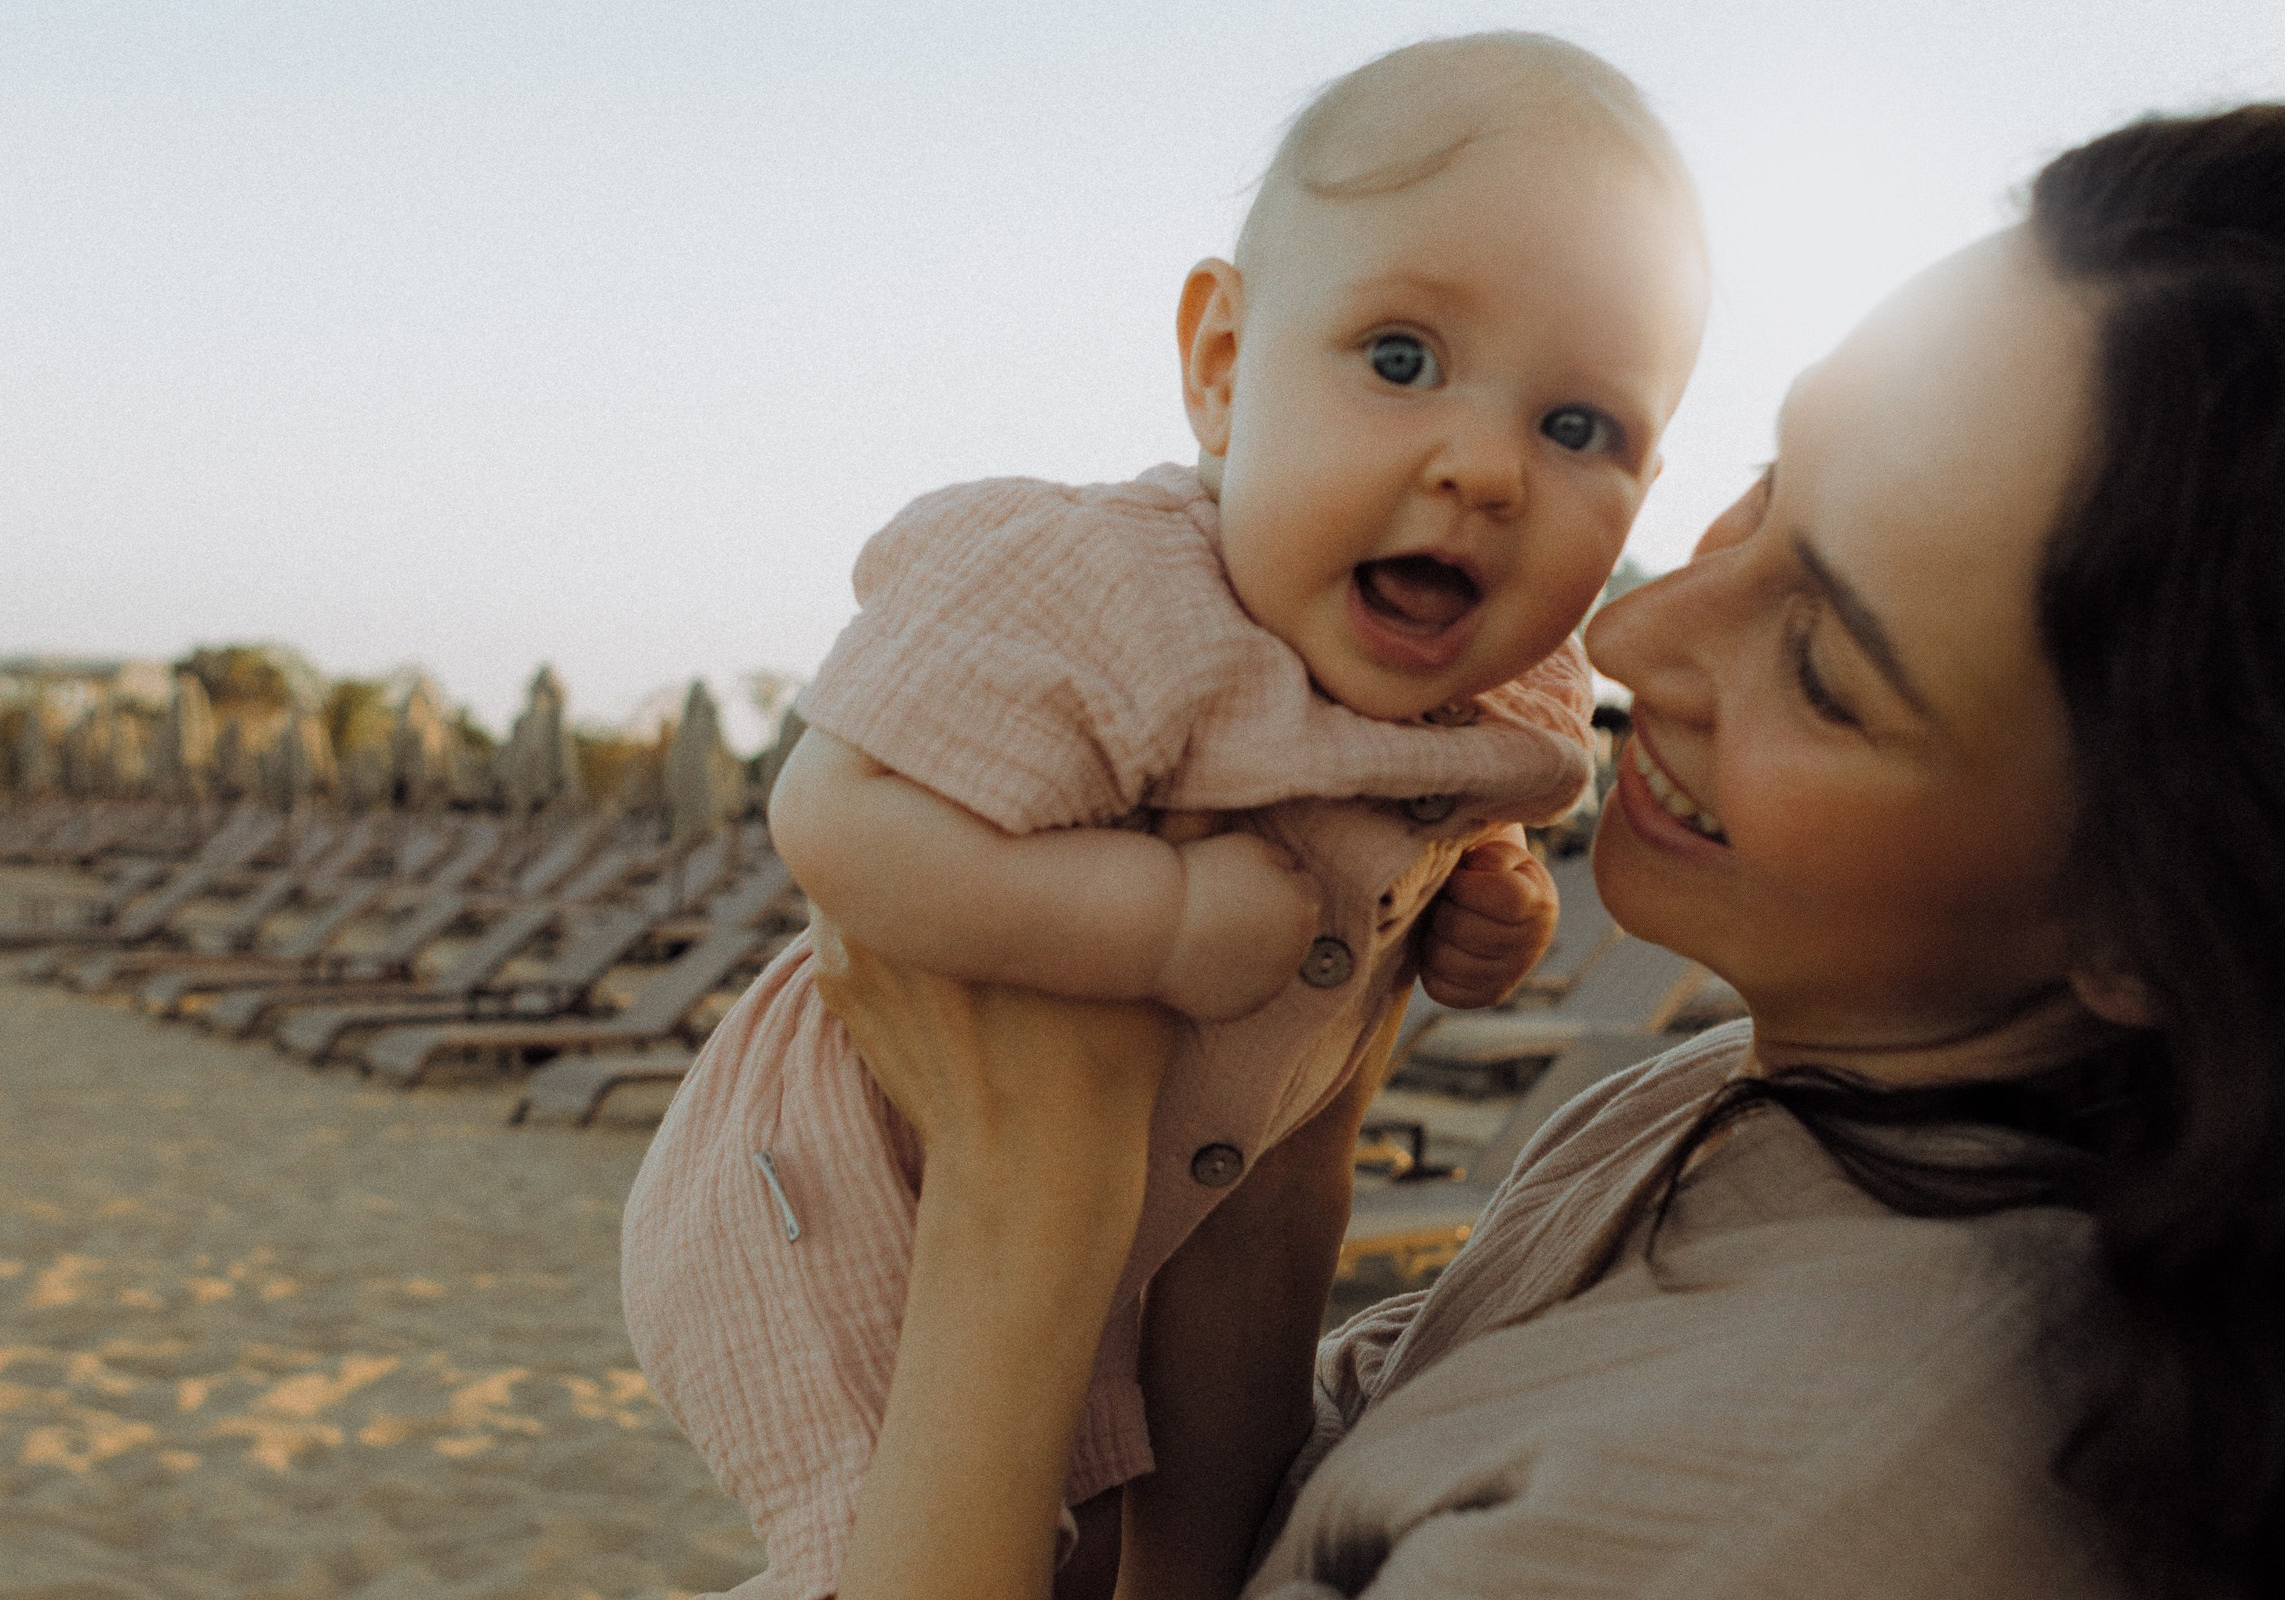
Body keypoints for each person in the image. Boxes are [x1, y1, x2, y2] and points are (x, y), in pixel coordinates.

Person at [813, 102, 2285, 1600]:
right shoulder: (1753, 1100)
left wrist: (1028, 1206)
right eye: (1760, 493)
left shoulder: (1768, 1526)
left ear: (2158, 914)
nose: (1626, 636)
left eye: (1824, 668)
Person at [620, 32, 1709, 1600]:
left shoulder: (1512, 696)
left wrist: (1499, 911)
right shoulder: (1102, 593)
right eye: (1401, 360)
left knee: (1197, 1481)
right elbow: (838, 813)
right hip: (840, 1193)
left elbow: (1477, 835)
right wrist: (1156, 921)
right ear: (1220, 366)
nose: (1482, 469)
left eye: (1579, 427)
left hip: (1221, 1193)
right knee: (897, 1525)